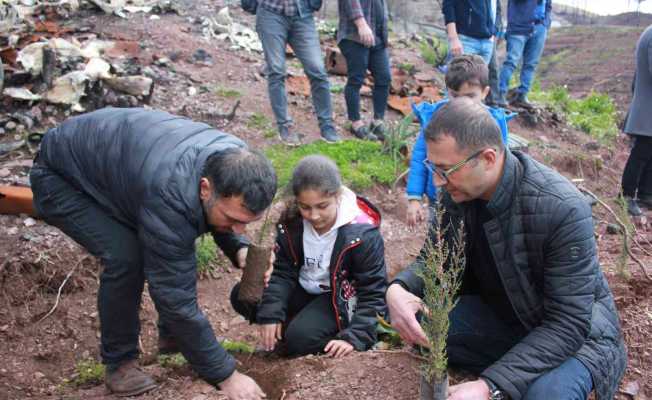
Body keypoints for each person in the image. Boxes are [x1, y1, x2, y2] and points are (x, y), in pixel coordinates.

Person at [29, 108, 278, 400]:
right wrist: (225, 375)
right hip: (62, 177)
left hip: (124, 169)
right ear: (205, 188)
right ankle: (119, 364)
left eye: (245, 223)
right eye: (232, 219)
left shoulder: (235, 161)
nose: (238, 229)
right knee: (126, 257)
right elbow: (174, 298)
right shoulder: (171, 192)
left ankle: (174, 337)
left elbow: (213, 218)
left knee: (176, 239)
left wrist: (239, 249)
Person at [388, 98, 627, 400]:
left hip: (578, 337)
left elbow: (569, 323)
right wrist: (398, 287)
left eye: (446, 170)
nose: (437, 182)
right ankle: (517, 367)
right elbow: (438, 260)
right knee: (421, 321)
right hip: (508, 319)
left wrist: (489, 386)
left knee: (546, 395)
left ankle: (549, 377)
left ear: (488, 157)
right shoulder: (458, 192)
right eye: (433, 168)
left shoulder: (561, 208)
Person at [230, 155, 387, 357]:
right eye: (305, 207)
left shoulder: (362, 233)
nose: (313, 216)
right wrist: (271, 313)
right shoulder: (292, 221)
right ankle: (293, 331)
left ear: (338, 196)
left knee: (300, 339)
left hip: (339, 297)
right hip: (304, 288)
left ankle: (308, 337)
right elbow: (283, 271)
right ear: (297, 201)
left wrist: (356, 336)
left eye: (322, 206)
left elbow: (373, 290)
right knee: (243, 295)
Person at [406, 55, 513, 227]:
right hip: (440, 197)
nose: (462, 103)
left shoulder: (494, 123)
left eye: (470, 96)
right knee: (441, 238)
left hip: (477, 197)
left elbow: (500, 164)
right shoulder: (435, 119)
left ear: (485, 92)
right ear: (447, 90)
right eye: (455, 96)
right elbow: (420, 158)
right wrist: (414, 197)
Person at [256, 0, 341, 145]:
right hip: (270, 13)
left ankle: (327, 126)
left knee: (318, 70)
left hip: (302, 15)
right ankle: (285, 127)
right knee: (276, 70)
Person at [337, 0, 391, 141]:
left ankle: (377, 122)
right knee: (356, 79)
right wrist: (361, 24)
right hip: (354, 35)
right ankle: (355, 123)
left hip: (377, 36)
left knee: (384, 77)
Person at [496, 0, 552, 109]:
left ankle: (522, 95)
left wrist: (546, 22)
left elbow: (548, 5)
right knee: (511, 61)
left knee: (531, 64)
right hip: (519, 26)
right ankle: (500, 93)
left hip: (540, 27)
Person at [621, 24, 652, 216]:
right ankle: (627, 196)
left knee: (649, 152)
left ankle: (646, 194)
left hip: (647, 107)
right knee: (641, 153)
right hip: (648, 108)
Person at [442, 0, 500, 65]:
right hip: (465, 41)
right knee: (458, 74)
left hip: (487, 42)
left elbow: (496, 8)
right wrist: (453, 39)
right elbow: (448, 6)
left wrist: (494, 32)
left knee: (480, 75)